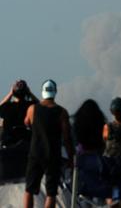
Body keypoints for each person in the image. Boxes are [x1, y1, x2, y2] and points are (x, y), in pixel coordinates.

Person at [23, 79, 74, 208]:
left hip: (35, 153)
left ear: (42, 92)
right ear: (55, 92)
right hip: (53, 154)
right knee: (51, 193)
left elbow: (27, 122)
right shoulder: (62, 112)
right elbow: (67, 137)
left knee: (29, 189)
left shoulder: (32, 109)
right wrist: (71, 156)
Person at [0, 80, 38, 146]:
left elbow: (1, 106)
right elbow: (41, 107)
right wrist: (30, 93)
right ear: (26, 92)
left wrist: (10, 93)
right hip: (27, 141)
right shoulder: (31, 107)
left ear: (14, 93)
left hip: (9, 143)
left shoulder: (7, 107)